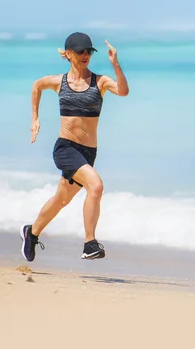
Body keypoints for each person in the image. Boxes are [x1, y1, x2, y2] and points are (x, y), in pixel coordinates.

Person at [19, 32, 129, 262]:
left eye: (88, 51)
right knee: (96, 186)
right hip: (66, 149)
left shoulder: (100, 82)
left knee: (61, 199)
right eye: (80, 51)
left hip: (88, 153)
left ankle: (32, 232)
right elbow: (37, 85)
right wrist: (34, 119)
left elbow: (123, 90)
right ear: (68, 54)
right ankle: (90, 243)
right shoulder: (59, 82)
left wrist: (115, 63)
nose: (85, 55)